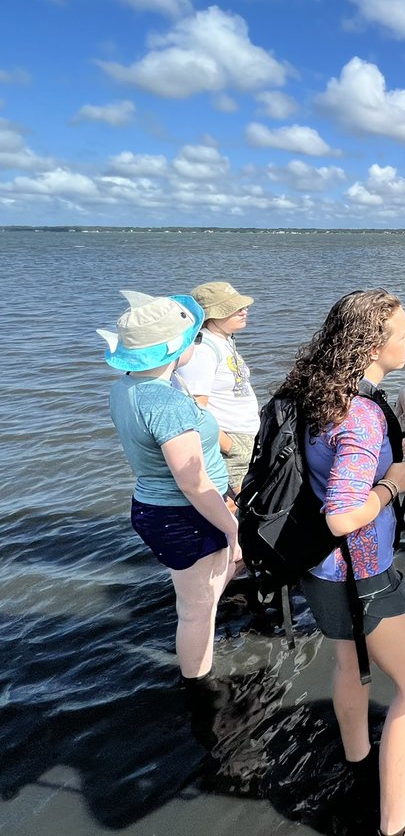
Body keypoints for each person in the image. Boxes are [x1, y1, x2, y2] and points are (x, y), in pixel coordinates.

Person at [276, 289, 405, 836]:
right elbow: (343, 515)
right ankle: (396, 824)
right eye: (403, 331)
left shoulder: (310, 393)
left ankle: (357, 762)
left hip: (319, 572)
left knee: (353, 666)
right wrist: (393, 484)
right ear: (373, 343)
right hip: (361, 572)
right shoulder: (363, 415)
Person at [100, 291, 240, 685]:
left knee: (202, 593)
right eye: (193, 338)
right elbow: (193, 484)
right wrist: (232, 528)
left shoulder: (125, 388)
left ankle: (199, 651)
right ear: (174, 348)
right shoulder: (166, 404)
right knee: (196, 611)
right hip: (186, 514)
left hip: (152, 504)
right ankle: (199, 688)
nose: (197, 344)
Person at [176, 281, 259, 496]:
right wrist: (229, 446)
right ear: (211, 316)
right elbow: (195, 410)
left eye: (243, 306)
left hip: (243, 436)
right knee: (235, 507)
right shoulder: (203, 350)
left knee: (243, 507)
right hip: (230, 441)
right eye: (234, 308)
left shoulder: (224, 340)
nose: (244, 311)